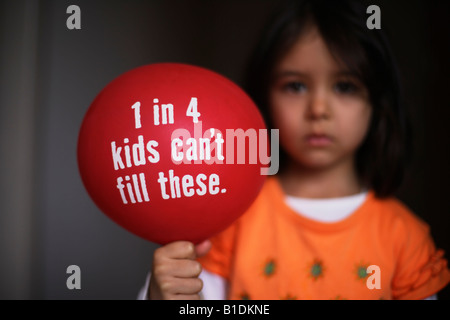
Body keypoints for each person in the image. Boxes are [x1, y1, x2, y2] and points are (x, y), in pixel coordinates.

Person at [141, 0, 450, 300]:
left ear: (378, 102)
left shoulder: (405, 239)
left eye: (345, 86)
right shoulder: (231, 221)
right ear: (263, 97)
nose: (318, 109)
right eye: (295, 86)